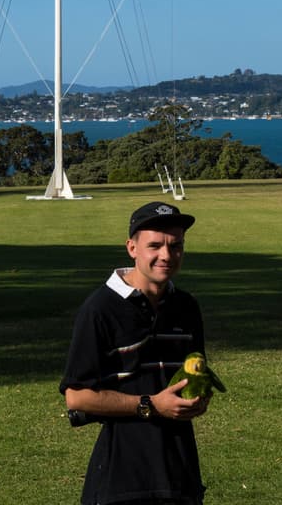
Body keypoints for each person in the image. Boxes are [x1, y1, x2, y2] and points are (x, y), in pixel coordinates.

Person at [59, 201, 211, 505]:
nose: (166, 255)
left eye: (176, 245)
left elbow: (195, 375)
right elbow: (76, 396)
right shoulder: (100, 309)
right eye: (154, 245)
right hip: (123, 478)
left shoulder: (186, 306)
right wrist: (151, 405)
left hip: (179, 474)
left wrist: (199, 400)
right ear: (132, 248)